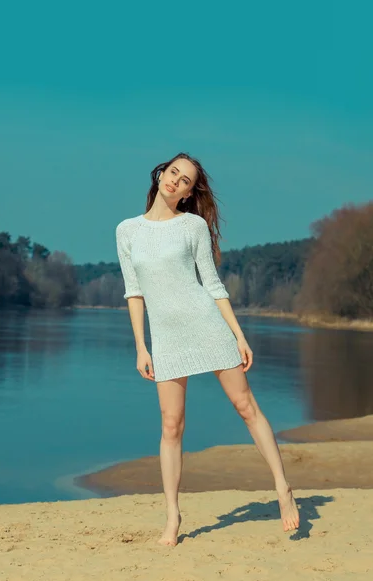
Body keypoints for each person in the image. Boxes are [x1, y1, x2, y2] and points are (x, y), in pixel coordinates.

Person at [115, 152, 300, 546]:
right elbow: (134, 291)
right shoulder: (127, 231)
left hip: (206, 325)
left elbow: (212, 285)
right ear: (160, 174)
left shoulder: (193, 226)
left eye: (185, 181)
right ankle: (172, 517)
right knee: (171, 425)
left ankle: (283, 489)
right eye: (173, 173)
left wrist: (238, 334)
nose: (176, 181)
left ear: (188, 193)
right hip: (165, 337)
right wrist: (140, 346)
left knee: (246, 406)